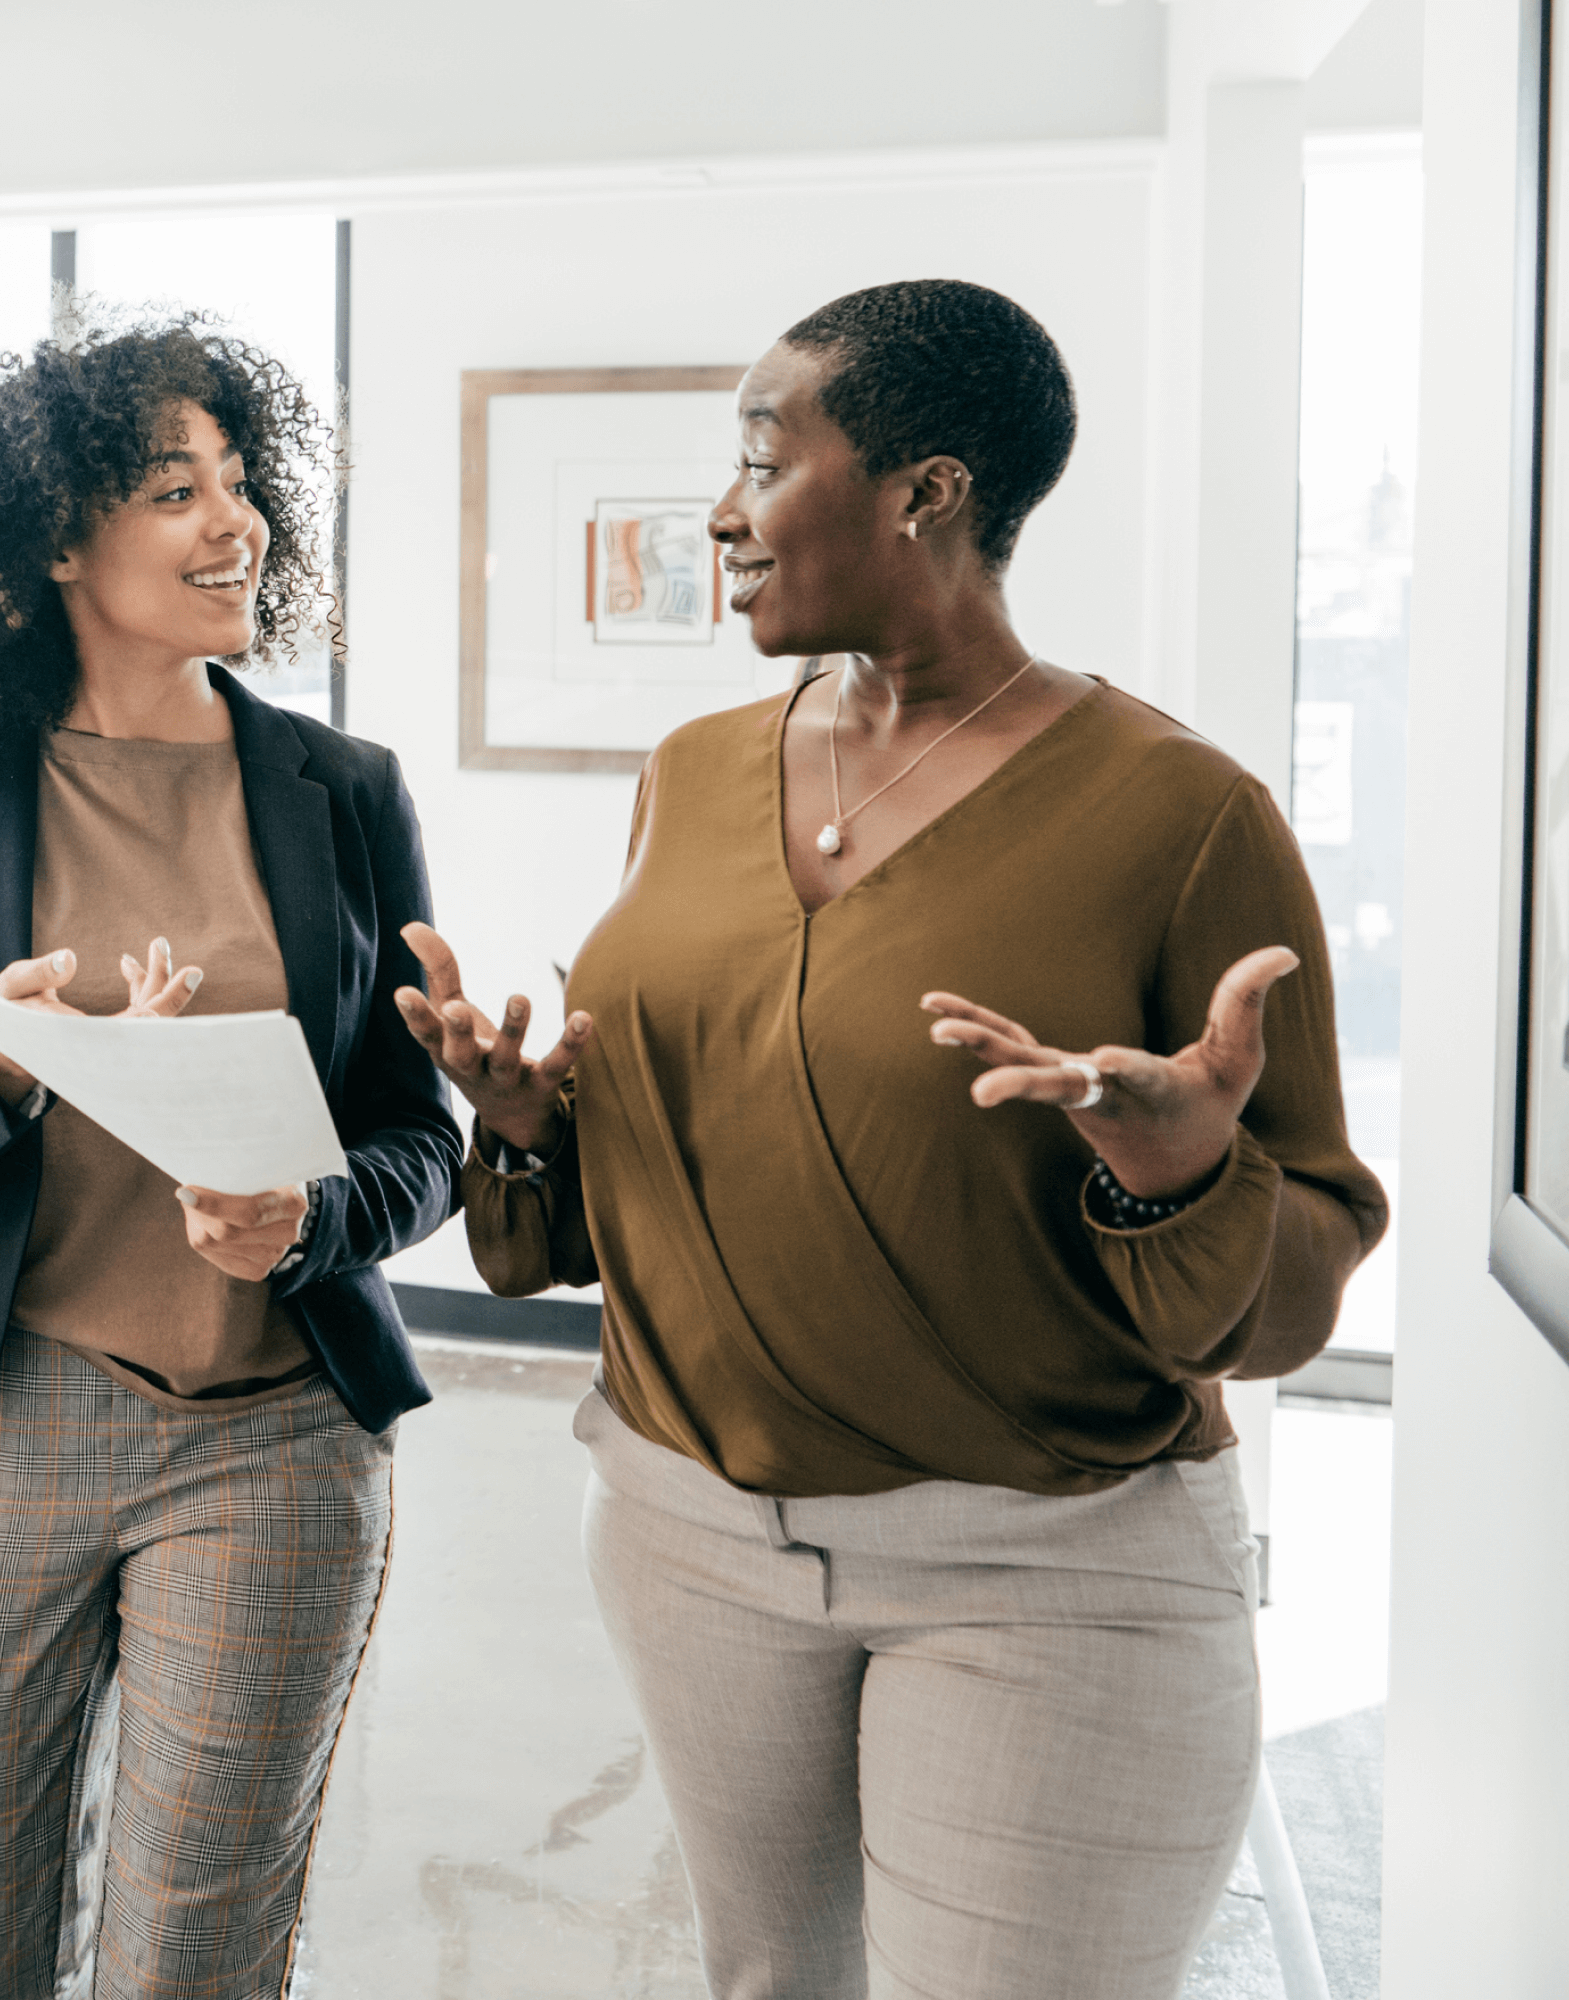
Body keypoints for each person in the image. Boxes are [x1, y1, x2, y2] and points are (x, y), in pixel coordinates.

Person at [396, 279, 1387, 2000]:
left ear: (927, 492)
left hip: (1046, 1568)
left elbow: (1296, 1286)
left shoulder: (1181, 814)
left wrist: (1183, 1173)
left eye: (762, 460)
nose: (721, 513)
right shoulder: (694, 769)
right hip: (689, 1532)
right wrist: (536, 1129)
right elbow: (650, 1154)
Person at [0, 314, 461, 2000]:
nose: (233, 520)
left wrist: (315, 1218)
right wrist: (2, 1064)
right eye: (175, 487)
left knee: (194, 1955)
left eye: (243, 482)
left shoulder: (343, 791)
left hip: (272, 1440)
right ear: (56, 541)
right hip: (5, 1425)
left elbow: (424, 1141)